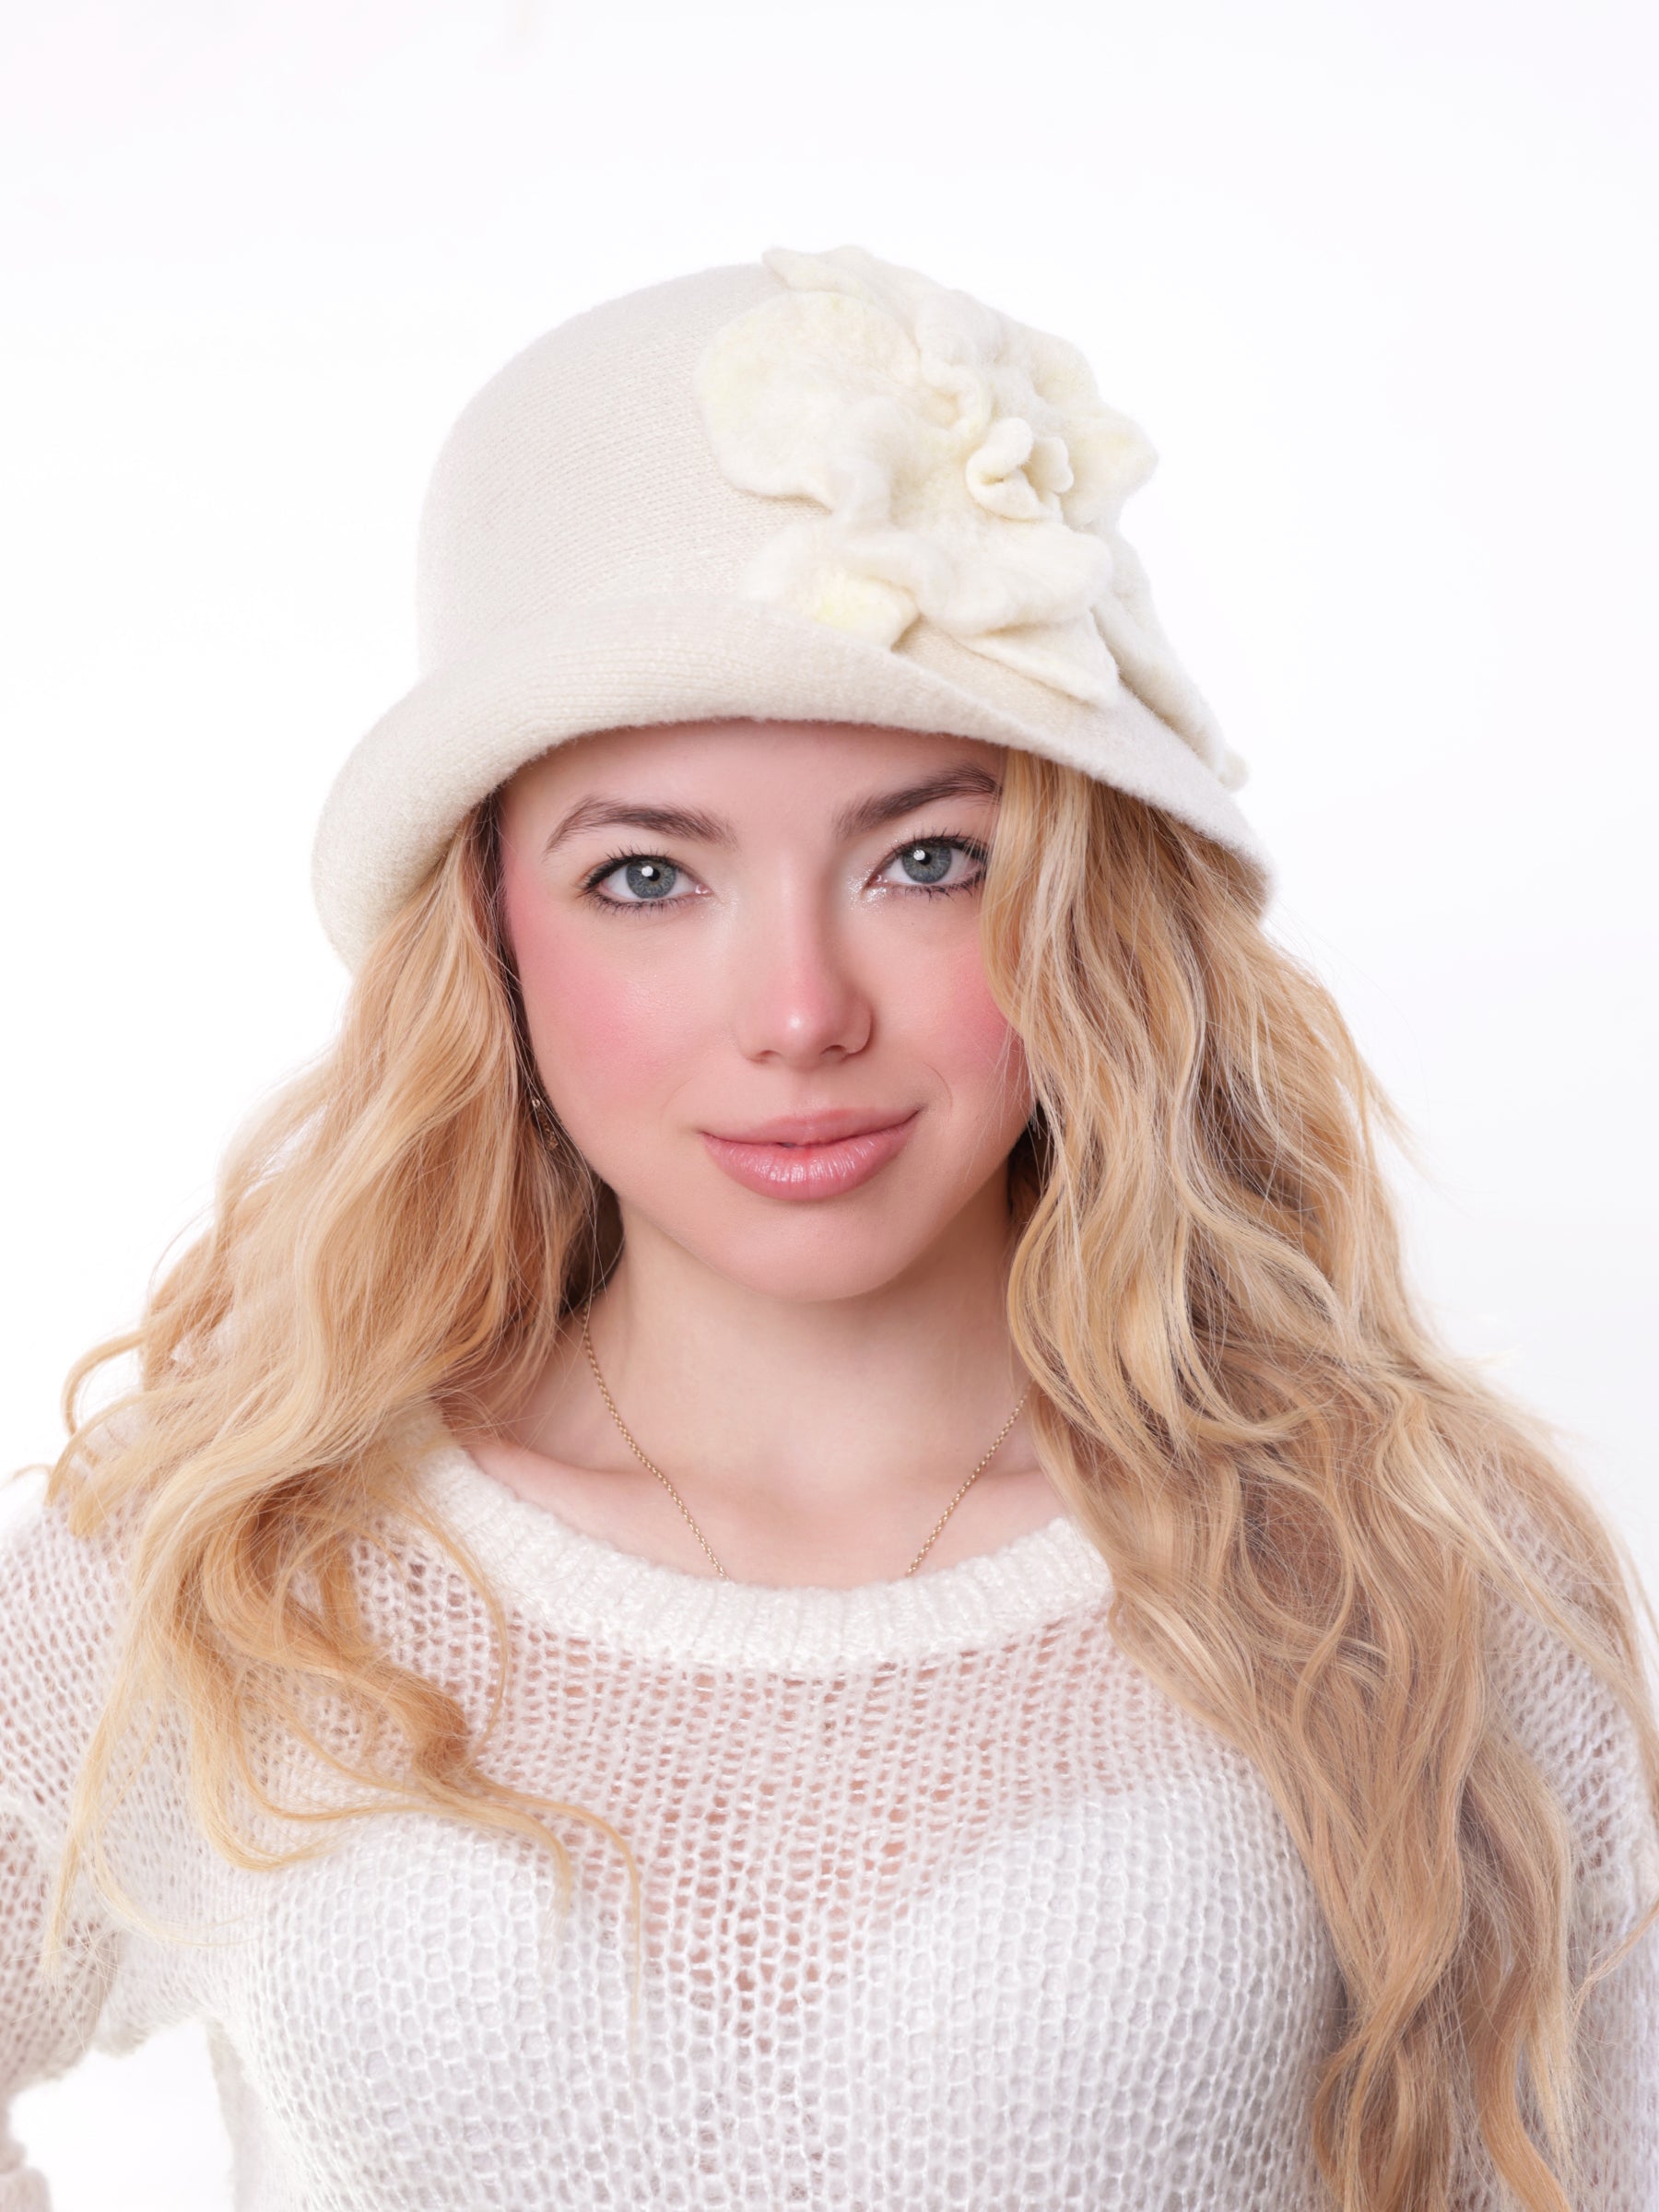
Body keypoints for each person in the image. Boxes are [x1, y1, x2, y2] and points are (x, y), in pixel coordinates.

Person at [2, 242, 1655, 2212]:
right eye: (646, 877)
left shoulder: (1403, 1572)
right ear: (491, 931)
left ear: (1085, 910)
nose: (800, 1014)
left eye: (928, 859)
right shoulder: (237, 1568)